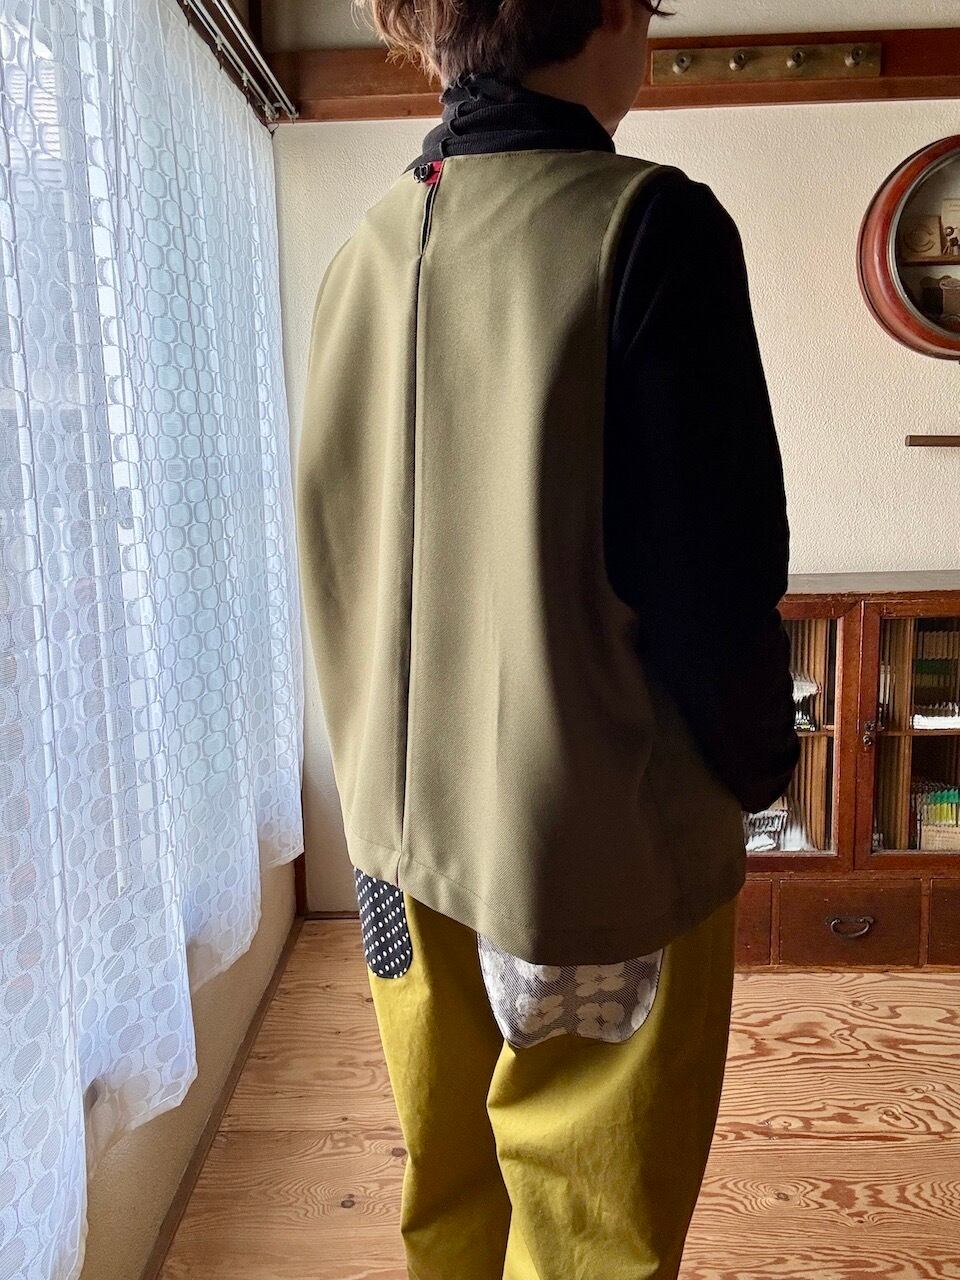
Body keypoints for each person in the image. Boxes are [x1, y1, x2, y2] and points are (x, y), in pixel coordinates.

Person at [294, 0, 800, 1274]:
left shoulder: (365, 248)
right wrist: (759, 766)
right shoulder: (650, 228)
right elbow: (714, 573)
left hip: (396, 847)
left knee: (450, 1181)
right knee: (591, 1221)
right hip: (588, 849)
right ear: (615, 11)